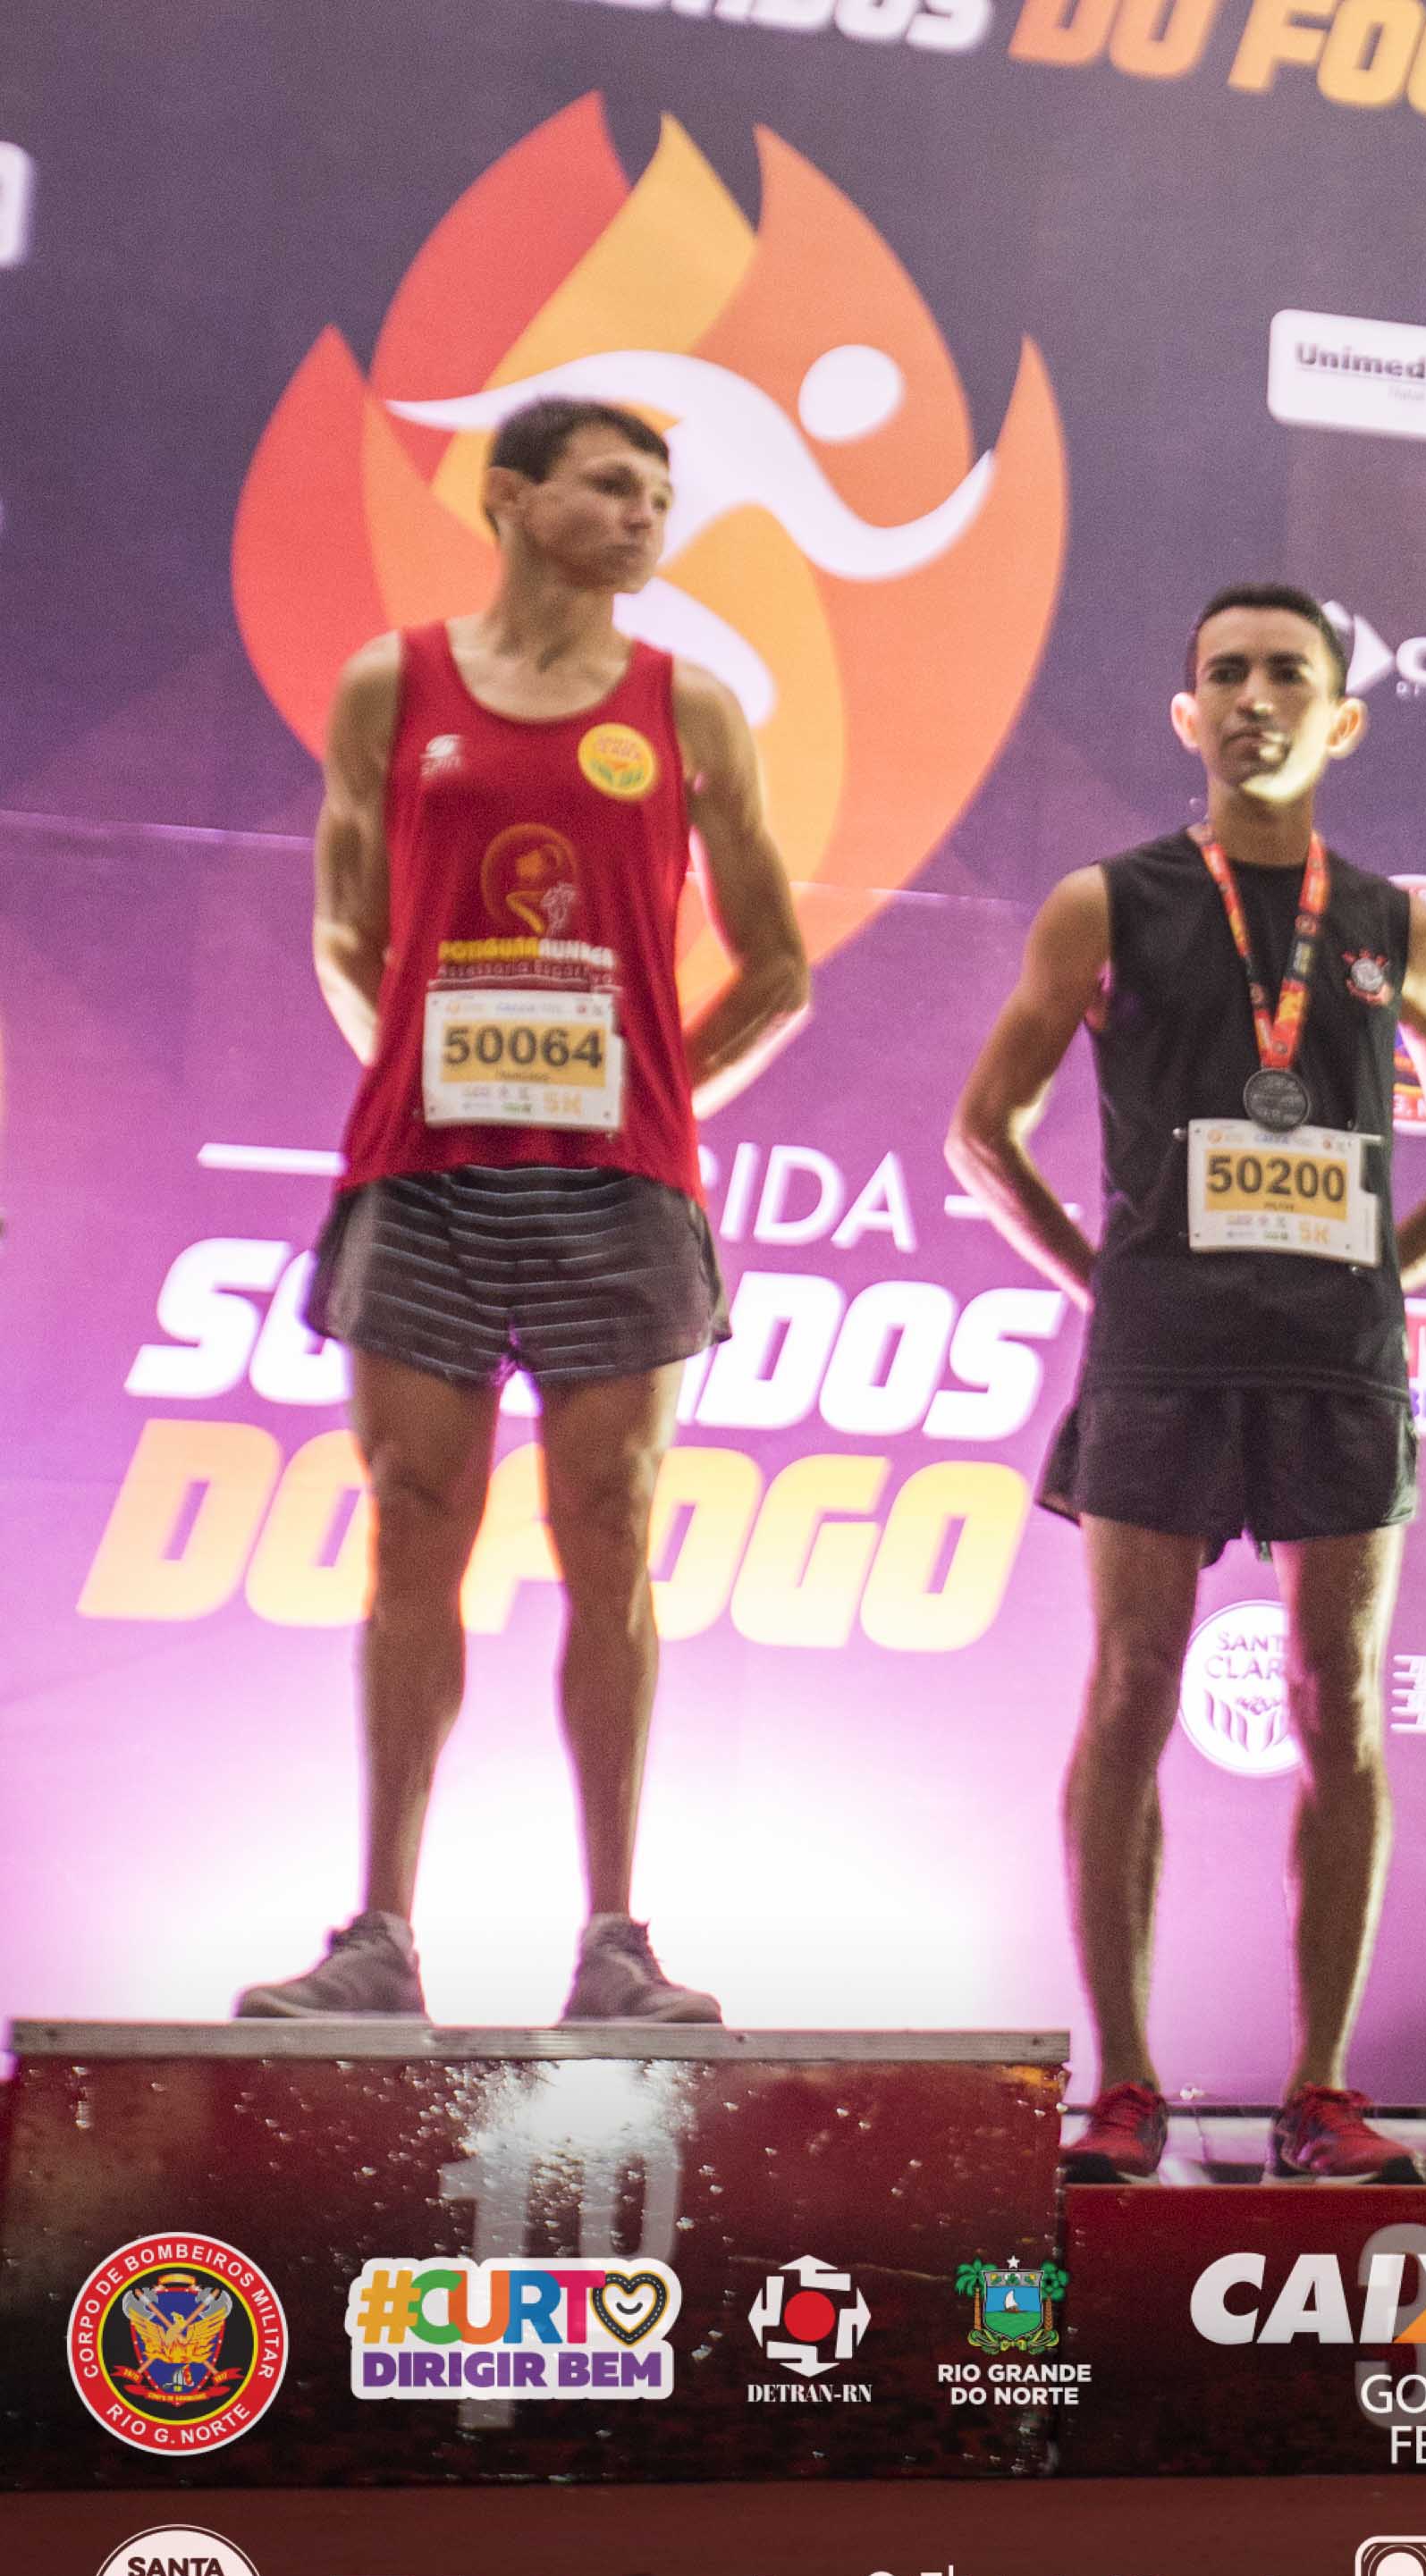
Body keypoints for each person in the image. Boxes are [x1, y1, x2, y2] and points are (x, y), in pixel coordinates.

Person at [240, 398, 810, 2027]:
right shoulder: (392, 683)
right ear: (508, 495)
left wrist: (652, 1097)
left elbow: (778, 966)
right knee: (415, 1519)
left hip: (619, 1193)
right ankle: (377, 1939)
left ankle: (616, 1941)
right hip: (421, 1179)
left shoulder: (688, 706)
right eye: (611, 485)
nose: (644, 516)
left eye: (660, 497)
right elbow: (346, 931)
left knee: (610, 1531)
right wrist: (423, 1071)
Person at [949, 582, 1426, 2183]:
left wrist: (1375, 1283)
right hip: (1163, 1364)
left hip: (1337, 1372)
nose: (1255, 697)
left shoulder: (1400, 928)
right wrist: (1113, 1284)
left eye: (1288, 674)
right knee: (1130, 1688)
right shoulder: (1106, 902)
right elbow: (981, 1134)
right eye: (1226, 674)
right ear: (1187, 716)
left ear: (1341, 720)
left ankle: (1319, 2091)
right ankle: (1122, 2087)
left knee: (1340, 1706)